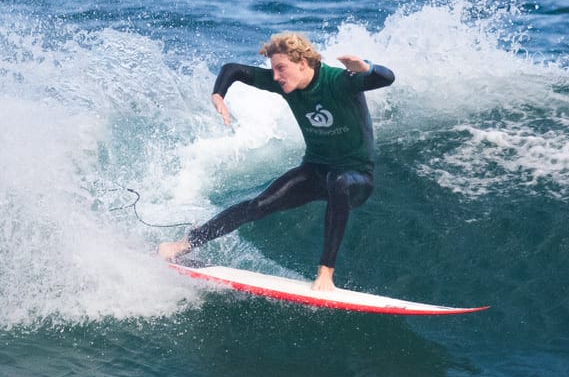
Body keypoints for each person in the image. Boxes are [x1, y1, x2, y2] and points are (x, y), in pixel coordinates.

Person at [158, 32, 395, 292]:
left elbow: (386, 78)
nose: (275, 76)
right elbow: (233, 70)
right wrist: (218, 95)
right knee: (258, 205)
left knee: (337, 181)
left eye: (281, 68)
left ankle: (326, 273)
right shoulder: (286, 85)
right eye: (273, 69)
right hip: (315, 170)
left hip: (356, 177)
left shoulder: (338, 81)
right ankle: (182, 245)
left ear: (303, 62)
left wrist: (366, 68)